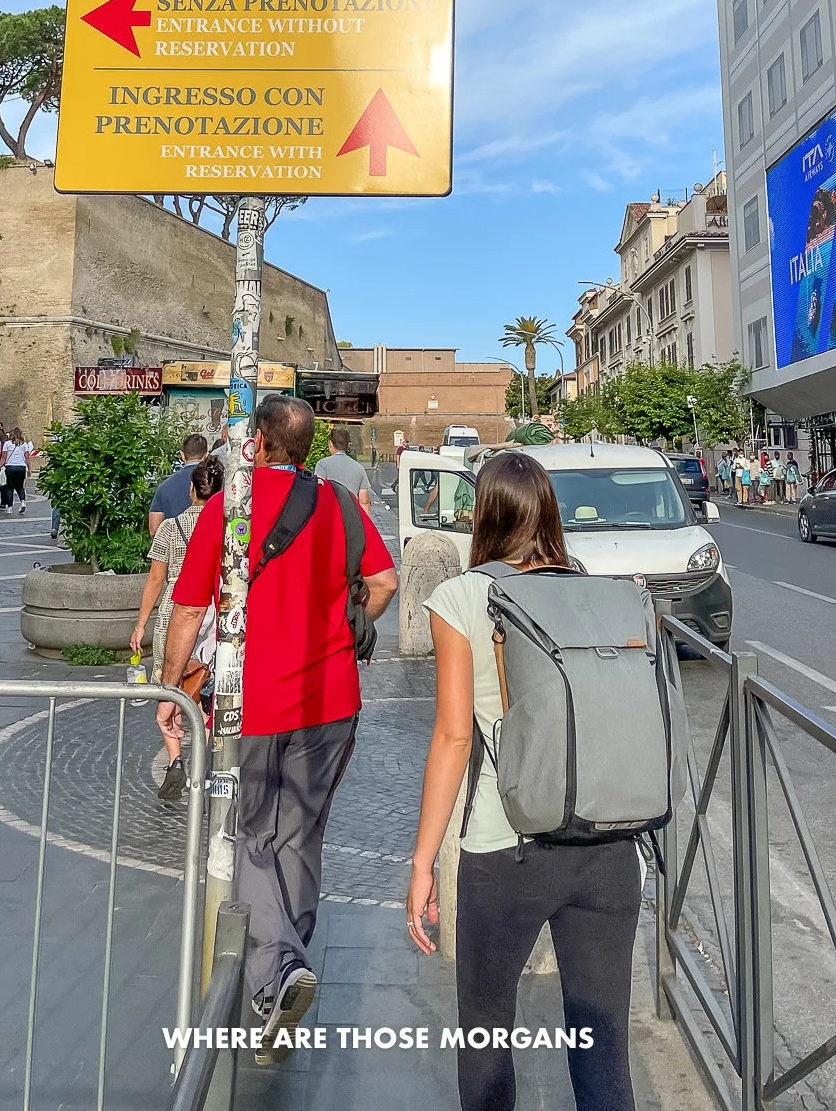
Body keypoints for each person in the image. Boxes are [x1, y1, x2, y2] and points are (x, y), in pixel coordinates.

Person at [157, 395, 398, 1053]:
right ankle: (287, 973)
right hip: (333, 700)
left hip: (254, 699)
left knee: (254, 836)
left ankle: (279, 972)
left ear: (257, 441)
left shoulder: (229, 508)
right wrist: (343, 631)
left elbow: (185, 613)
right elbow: (383, 580)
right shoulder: (339, 503)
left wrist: (172, 687)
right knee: (300, 836)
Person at [407, 450, 642, 1111]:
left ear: (483, 514)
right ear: (548, 513)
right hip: (608, 845)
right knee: (602, 1047)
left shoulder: (460, 596)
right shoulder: (593, 586)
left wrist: (423, 863)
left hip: (504, 848)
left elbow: (454, 739)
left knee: (485, 1035)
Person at [131, 452, 224, 801]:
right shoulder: (230, 524)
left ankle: (176, 761)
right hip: (217, 609)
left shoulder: (172, 528)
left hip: (177, 608)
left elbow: (155, 579)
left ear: (192, 491)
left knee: (172, 684)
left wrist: (141, 624)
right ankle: (212, 756)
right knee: (207, 684)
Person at [147, 433, 211, 539]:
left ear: (182, 455)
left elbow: (154, 530)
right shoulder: (217, 483)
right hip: (209, 548)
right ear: (206, 455)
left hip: (175, 550)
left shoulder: (164, 487)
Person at [313, 425, 373, 512]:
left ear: (330, 444)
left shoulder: (322, 465)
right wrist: (366, 524)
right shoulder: (359, 468)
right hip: (352, 515)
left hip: (331, 515)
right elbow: (364, 502)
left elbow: (319, 492)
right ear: (347, 446)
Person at [0, 428, 34, 510]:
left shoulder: (7, 444)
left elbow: (3, 458)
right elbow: (27, 458)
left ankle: (10, 506)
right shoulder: (24, 444)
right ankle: (23, 502)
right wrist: (29, 469)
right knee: (20, 487)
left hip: (10, 467)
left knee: (9, 487)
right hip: (21, 467)